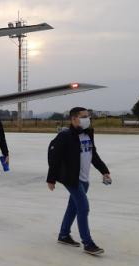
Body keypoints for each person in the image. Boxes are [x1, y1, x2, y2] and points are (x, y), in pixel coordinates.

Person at [47, 107, 111, 256]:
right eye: (83, 116)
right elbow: (55, 159)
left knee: (73, 207)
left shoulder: (88, 134)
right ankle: (88, 243)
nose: (87, 118)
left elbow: (93, 154)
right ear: (74, 119)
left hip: (84, 179)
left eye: (88, 116)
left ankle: (63, 235)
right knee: (83, 207)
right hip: (71, 179)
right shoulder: (65, 136)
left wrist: (104, 171)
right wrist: (51, 179)